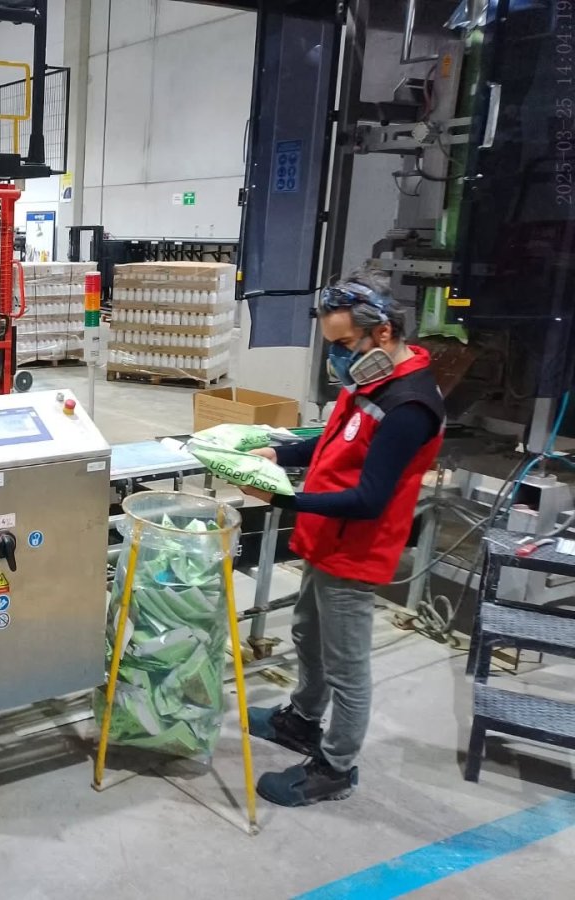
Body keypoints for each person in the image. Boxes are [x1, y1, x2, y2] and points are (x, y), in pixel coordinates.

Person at [241, 269, 444, 808]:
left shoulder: (409, 405)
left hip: (355, 551)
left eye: (344, 344)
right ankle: (302, 720)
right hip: (326, 540)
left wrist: (282, 499)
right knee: (307, 633)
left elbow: (370, 499)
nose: (336, 357)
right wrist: (279, 453)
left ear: (383, 332)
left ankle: (335, 766)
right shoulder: (371, 383)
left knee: (347, 667)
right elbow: (335, 443)